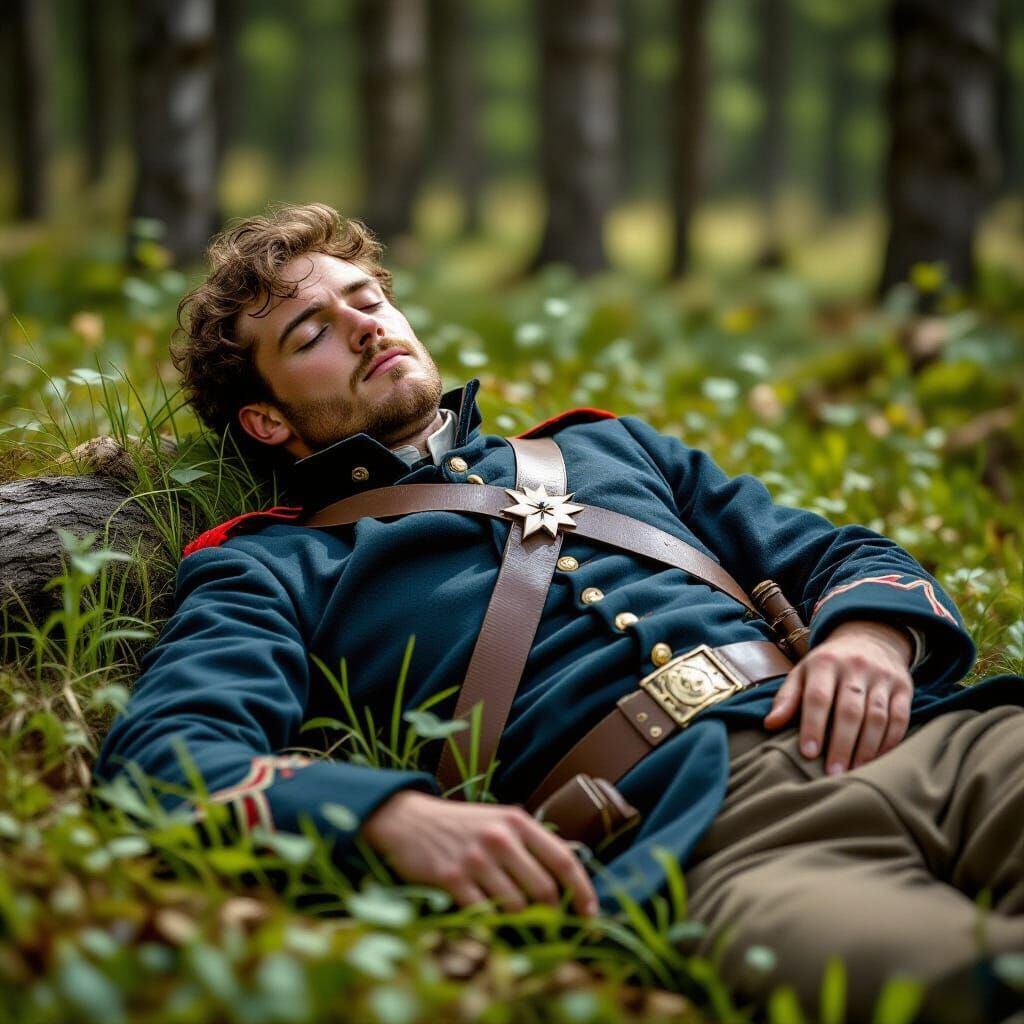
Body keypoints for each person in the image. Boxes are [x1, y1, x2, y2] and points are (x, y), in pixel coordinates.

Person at [93, 204, 1024, 1022]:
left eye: (367, 299)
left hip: (934, 747)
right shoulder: (272, 565)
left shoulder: (607, 446)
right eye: (312, 335)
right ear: (267, 421)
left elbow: (836, 554)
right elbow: (165, 760)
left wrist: (870, 638)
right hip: (720, 845)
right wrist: (386, 817)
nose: (365, 327)